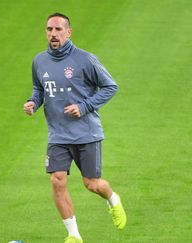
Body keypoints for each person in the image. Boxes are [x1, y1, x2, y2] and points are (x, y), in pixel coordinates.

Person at [23, 13, 126, 243]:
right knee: (56, 180)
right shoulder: (39, 61)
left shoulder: (85, 60)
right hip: (57, 134)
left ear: (68, 32)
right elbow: (39, 89)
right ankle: (74, 235)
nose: (53, 34)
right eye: (49, 29)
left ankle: (113, 199)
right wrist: (33, 103)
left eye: (58, 30)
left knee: (91, 184)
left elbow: (111, 86)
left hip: (86, 134)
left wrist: (84, 106)